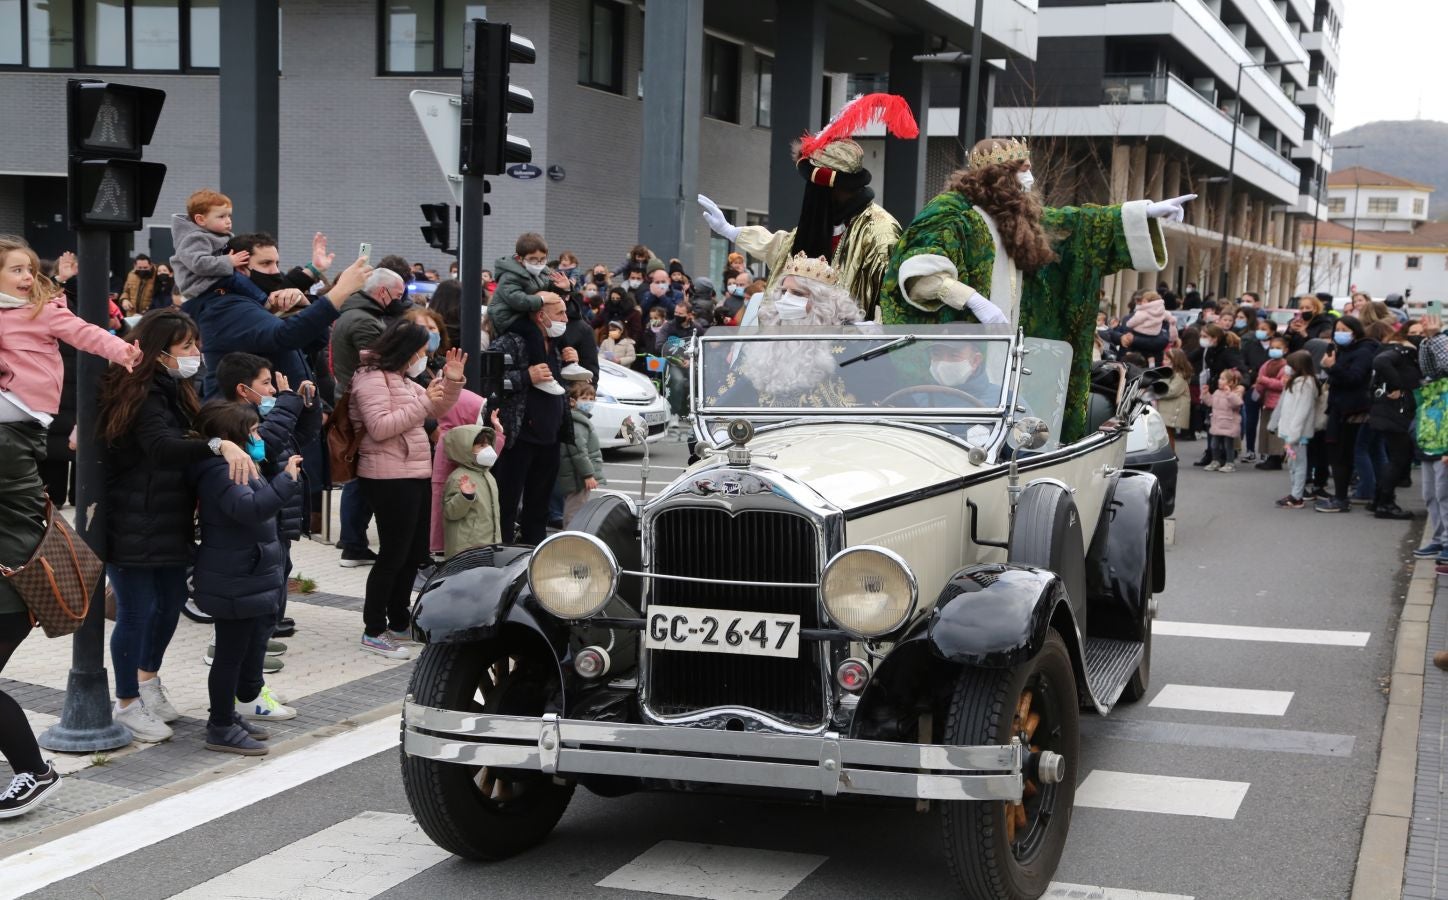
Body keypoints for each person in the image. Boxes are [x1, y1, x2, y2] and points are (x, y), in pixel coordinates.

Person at [881, 137, 1193, 443]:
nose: (1030, 177)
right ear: (999, 175)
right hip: (967, 353)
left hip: (1011, 347)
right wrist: (972, 299)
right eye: (1023, 169)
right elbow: (916, 268)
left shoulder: (1016, 216)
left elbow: (1077, 224)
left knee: (1018, 425)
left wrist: (1144, 212)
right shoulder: (951, 211)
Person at [0, 236, 143, 746]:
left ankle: (72, 578)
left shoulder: (42, 310)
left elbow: (85, 332)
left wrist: (123, 348)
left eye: (28, 269)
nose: (24, 277)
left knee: (20, 511)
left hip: (21, 418)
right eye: (14, 270)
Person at [97, 309, 259, 743]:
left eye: (195, 344)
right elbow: (160, 446)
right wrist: (215, 443)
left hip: (167, 516)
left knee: (169, 604)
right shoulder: (140, 390)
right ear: (159, 351)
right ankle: (127, 702)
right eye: (186, 347)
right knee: (136, 610)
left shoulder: (175, 388)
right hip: (133, 518)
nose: (195, 354)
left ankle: (148, 683)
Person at [701, 94, 919, 321]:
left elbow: (891, 293)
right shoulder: (821, 221)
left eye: (814, 188)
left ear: (834, 188)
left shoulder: (879, 230)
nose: (809, 195)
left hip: (849, 345)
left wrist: (874, 331)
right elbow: (781, 248)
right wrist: (731, 231)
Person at [189, 401, 302, 755]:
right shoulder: (221, 471)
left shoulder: (241, 465)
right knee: (228, 654)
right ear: (233, 436)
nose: (258, 437)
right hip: (233, 579)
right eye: (252, 432)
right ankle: (219, 725)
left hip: (245, 574)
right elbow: (249, 509)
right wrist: (286, 481)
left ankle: (227, 716)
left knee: (238, 653)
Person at [350, 323, 466, 658]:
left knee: (413, 554)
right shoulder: (371, 378)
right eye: (421, 352)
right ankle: (374, 629)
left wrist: (453, 382)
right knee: (392, 554)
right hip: (386, 475)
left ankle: (399, 621)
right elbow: (380, 427)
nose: (423, 358)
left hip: (414, 471)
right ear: (405, 351)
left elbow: (437, 411)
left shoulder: (403, 378)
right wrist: (423, 403)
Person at [215, 352, 322, 643]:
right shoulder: (227, 418)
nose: (273, 389)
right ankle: (261, 632)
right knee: (266, 573)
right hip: (261, 511)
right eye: (266, 383)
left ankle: (270, 623)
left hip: (280, 508)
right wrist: (288, 404)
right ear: (242, 389)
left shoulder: (267, 412)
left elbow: (301, 435)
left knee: (280, 568)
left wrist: (306, 406)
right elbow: (269, 445)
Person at [328, 267, 407, 569]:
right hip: (362, 406)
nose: (399, 301)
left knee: (359, 478)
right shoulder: (363, 321)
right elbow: (382, 364)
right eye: (397, 295)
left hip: (354, 401)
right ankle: (353, 544)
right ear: (382, 292)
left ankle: (353, 542)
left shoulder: (354, 315)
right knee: (361, 479)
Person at [492, 298, 571, 544]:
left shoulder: (556, 346)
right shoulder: (511, 341)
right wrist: (525, 376)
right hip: (518, 437)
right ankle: (502, 554)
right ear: (540, 316)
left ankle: (533, 555)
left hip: (550, 436)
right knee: (506, 503)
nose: (565, 319)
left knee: (539, 507)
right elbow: (490, 381)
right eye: (559, 313)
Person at [488, 233, 572, 397]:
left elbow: (549, 288)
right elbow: (517, 300)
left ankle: (570, 361)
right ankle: (543, 375)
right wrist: (541, 299)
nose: (539, 264)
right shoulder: (509, 275)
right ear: (520, 258)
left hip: (525, 311)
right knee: (533, 332)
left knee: (557, 327)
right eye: (534, 259)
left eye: (542, 259)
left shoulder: (542, 271)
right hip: (507, 316)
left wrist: (564, 288)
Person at [1316, 316, 1378, 513]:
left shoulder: (1364, 351)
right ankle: (1340, 496)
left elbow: (1354, 378)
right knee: (1336, 452)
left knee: (1343, 454)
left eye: (1345, 329)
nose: (1340, 333)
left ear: (1355, 331)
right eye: (1338, 329)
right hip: (1339, 408)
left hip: (1352, 410)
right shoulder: (1343, 350)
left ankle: (1342, 499)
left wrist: (1332, 367)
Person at [1368, 328, 1420, 520]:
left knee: (1395, 457)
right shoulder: (1402, 351)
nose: (1419, 335)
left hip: (1388, 411)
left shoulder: (1405, 353)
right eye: (1415, 331)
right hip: (1395, 411)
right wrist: (1398, 386)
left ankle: (1379, 500)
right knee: (1399, 458)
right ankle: (1385, 503)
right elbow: (1381, 362)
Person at [442, 423, 502, 558]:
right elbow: (450, 512)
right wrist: (465, 497)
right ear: (465, 449)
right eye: (481, 446)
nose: (488, 449)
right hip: (466, 549)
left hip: (488, 545)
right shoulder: (459, 477)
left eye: (488, 445)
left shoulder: (487, 475)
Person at [1272, 350, 1320, 509]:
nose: (1287, 368)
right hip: (1290, 434)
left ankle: (1297, 496)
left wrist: (1293, 434)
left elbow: (1302, 411)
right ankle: (1295, 492)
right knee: (1293, 464)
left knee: (1298, 464)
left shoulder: (1306, 384)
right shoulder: (1297, 381)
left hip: (1297, 435)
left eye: (1289, 365)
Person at [558, 383, 605, 528]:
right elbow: (578, 452)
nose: (589, 402)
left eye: (592, 398)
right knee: (575, 509)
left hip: (576, 475)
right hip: (577, 477)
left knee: (576, 506)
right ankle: (570, 537)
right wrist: (588, 475)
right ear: (572, 401)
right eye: (584, 398)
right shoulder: (577, 423)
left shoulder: (579, 420)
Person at [1253, 335, 1290, 470]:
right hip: (1266, 402)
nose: (1274, 350)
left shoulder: (1286, 366)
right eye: (1272, 347)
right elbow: (1259, 379)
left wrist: (1264, 381)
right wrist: (1258, 388)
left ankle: (1276, 457)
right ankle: (1268, 455)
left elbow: (1282, 384)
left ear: (1285, 350)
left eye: (1278, 348)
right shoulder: (1266, 364)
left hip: (1278, 404)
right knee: (1265, 430)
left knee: (1275, 432)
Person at [1205, 368, 1245, 472]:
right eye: (1220, 378)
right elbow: (1210, 402)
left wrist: (1229, 394)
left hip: (1229, 423)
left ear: (1230, 382)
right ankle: (1215, 461)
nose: (1219, 381)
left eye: (1223, 379)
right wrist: (1205, 394)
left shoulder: (1235, 392)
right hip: (1217, 422)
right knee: (1214, 444)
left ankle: (1230, 463)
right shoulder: (1217, 392)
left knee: (1228, 445)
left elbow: (1237, 404)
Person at [1157, 349, 1193, 451]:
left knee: (1168, 434)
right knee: (1166, 434)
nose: (1164, 361)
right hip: (1168, 408)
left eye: (1167, 359)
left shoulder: (1180, 375)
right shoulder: (1169, 372)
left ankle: (1171, 455)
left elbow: (1172, 391)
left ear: (1175, 361)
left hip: (1173, 409)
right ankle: (1170, 454)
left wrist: (1156, 392)